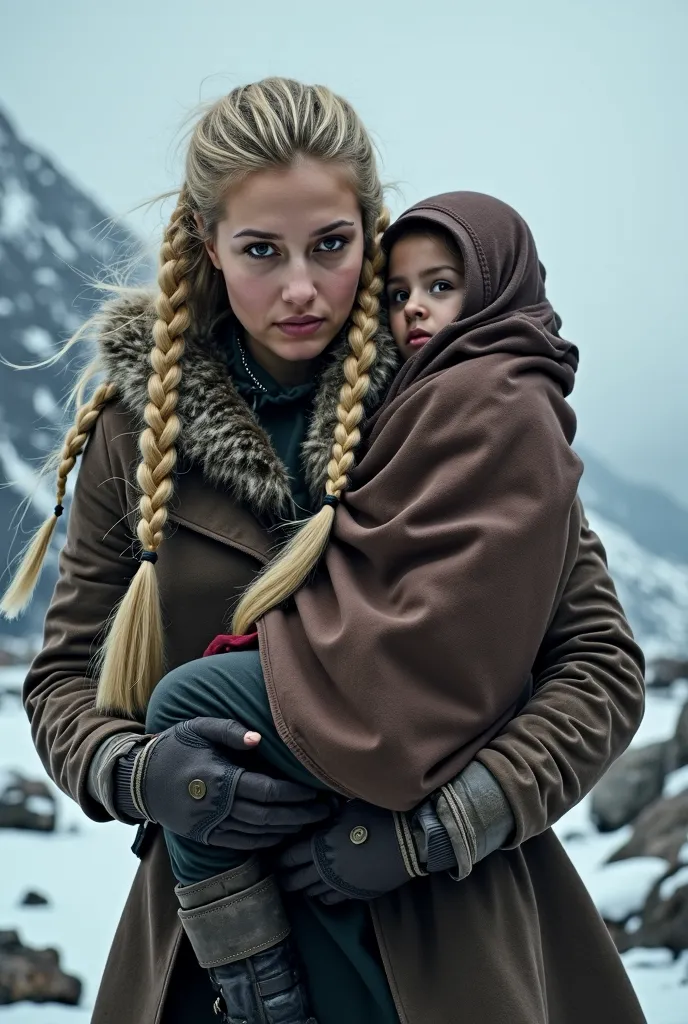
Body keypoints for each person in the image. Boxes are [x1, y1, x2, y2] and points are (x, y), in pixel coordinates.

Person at [3, 75, 644, 1023]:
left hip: (451, 937)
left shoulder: (461, 408)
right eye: (261, 250)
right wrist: (145, 775)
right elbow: (62, 683)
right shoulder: (135, 435)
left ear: (371, 234)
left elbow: (597, 667)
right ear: (207, 246)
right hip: (208, 956)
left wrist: (439, 829)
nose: (301, 287)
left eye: (333, 247)